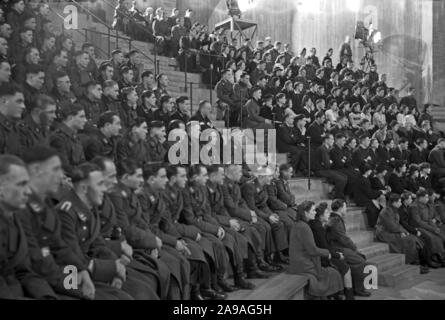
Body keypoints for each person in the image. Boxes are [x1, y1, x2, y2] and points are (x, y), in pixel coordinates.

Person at [18, 146, 133, 300]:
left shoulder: (45, 206)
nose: (61, 176)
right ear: (37, 170)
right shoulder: (21, 208)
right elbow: (37, 265)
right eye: (56, 169)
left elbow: (61, 249)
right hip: (36, 284)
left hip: (56, 275)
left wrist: (82, 271)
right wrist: (77, 282)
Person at [56, 162, 159, 300]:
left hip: (87, 269)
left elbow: (97, 244)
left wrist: (116, 266)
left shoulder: (88, 208)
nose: (104, 189)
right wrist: (111, 268)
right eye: (100, 184)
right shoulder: (65, 212)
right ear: (84, 187)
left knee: (143, 287)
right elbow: (72, 258)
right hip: (69, 276)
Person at [0, 154, 59, 299]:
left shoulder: (15, 218)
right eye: (21, 184)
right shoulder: (22, 215)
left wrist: (47, 297)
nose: (27, 191)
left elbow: (24, 271)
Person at [288, 200, 344, 299]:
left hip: (297, 262)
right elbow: (312, 250)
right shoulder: (304, 227)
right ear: (305, 213)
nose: (315, 212)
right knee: (332, 273)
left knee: (330, 271)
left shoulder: (297, 224)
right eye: (313, 210)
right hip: (302, 265)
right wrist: (327, 253)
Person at [326, 199, 372, 297]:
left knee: (359, 258)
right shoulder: (336, 221)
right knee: (360, 260)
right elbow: (344, 239)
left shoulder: (334, 218)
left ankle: (354, 286)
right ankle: (358, 289)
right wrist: (355, 249)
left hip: (339, 246)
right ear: (341, 208)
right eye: (345, 206)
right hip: (337, 248)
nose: (346, 209)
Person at [309, 202, 355, 299]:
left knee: (342, 264)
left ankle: (336, 294)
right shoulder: (318, 228)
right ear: (320, 216)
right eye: (326, 212)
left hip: (323, 253)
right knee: (346, 268)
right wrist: (337, 255)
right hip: (321, 257)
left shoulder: (318, 225)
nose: (329, 214)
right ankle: (349, 297)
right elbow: (324, 247)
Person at [376, 193, 425, 269]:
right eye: (399, 201)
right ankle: (410, 262)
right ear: (394, 202)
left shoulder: (394, 210)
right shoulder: (386, 211)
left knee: (412, 238)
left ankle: (414, 261)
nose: (401, 203)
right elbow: (391, 226)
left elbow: (397, 225)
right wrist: (403, 232)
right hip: (384, 233)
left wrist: (404, 231)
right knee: (409, 240)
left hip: (392, 231)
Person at [49, 104, 86, 175]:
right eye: (81, 117)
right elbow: (64, 167)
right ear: (70, 118)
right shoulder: (58, 137)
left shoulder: (75, 137)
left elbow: (82, 162)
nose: (85, 120)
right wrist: (83, 174)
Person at [312, 134, 347, 200]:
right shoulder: (322, 149)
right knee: (341, 179)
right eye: (332, 139)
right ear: (326, 140)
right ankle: (336, 196)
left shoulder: (326, 149)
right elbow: (327, 164)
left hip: (325, 169)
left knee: (345, 177)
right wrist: (330, 162)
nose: (333, 141)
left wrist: (330, 162)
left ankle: (334, 193)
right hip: (320, 171)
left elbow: (327, 163)